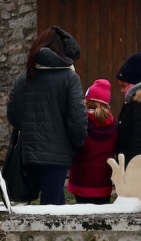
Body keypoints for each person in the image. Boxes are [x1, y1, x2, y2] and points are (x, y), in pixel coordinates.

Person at [6, 26, 86, 205]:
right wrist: (77, 145)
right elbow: (78, 120)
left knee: (31, 205)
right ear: (61, 51)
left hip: (28, 153)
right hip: (57, 155)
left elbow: (13, 116)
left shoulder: (24, 77)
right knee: (53, 206)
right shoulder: (69, 78)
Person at [67, 79, 118, 205]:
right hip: (103, 182)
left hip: (81, 182)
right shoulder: (113, 125)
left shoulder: (81, 123)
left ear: (87, 101)